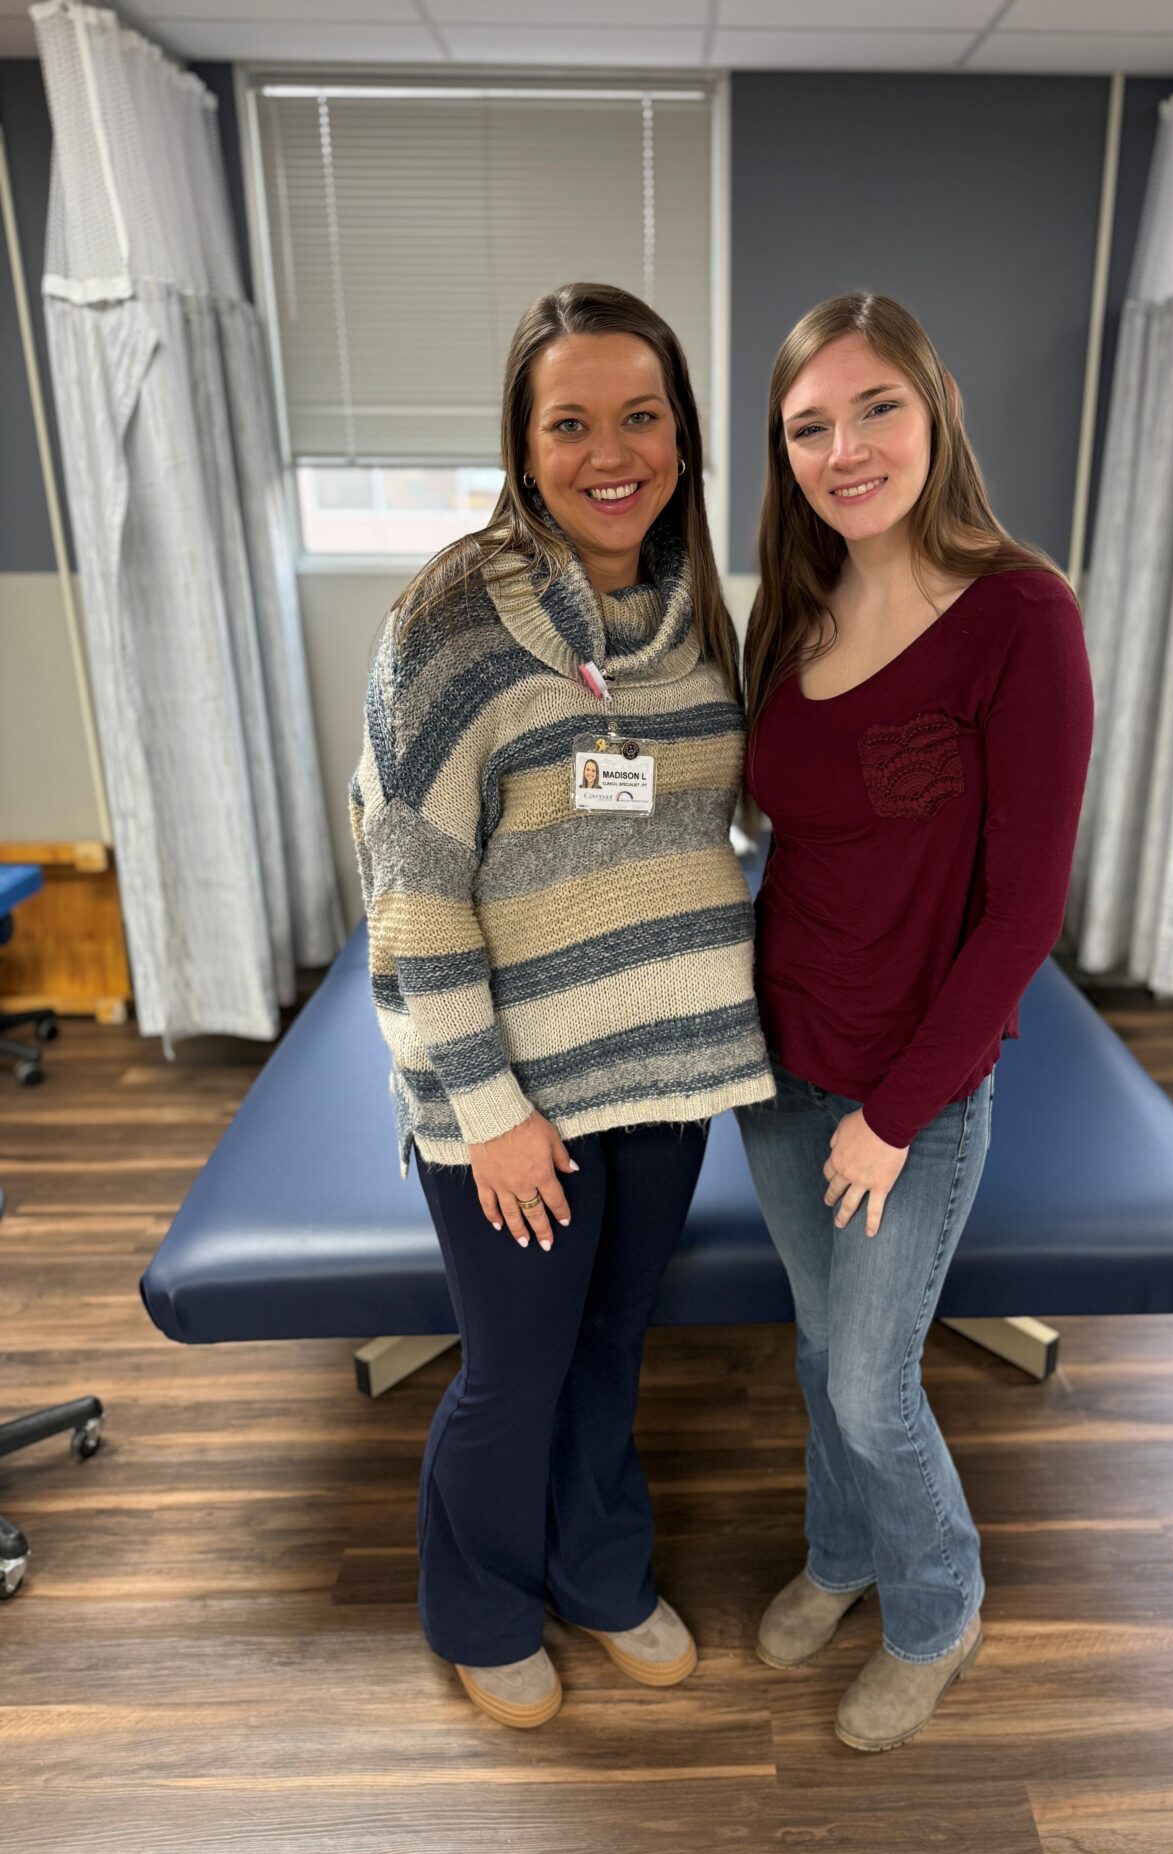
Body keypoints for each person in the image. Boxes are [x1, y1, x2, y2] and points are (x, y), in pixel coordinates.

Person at [349, 283, 775, 1730]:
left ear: (682, 434)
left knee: (609, 1348)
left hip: (662, 1077)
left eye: (641, 415)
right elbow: (412, 899)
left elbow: (719, 824)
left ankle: (601, 1575)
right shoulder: (449, 626)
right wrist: (489, 1116)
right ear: (524, 448)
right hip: (508, 1103)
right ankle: (480, 1605)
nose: (613, 450)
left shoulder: (699, 615)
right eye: (572, 421)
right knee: (514, 1370)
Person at [737, 291, 1094, 1752]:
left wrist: (895, 1114)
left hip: (913, 1088)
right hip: (776, 1065)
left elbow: (1023, 917)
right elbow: (774, 841)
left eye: (872, 406)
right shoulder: (794, 604)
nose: (846, 447)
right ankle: (841, 1558)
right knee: (821, 1356)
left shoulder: (1021, 613)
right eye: (810, 425)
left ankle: (936, 1605)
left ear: (934, 406)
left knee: (876, 1389)